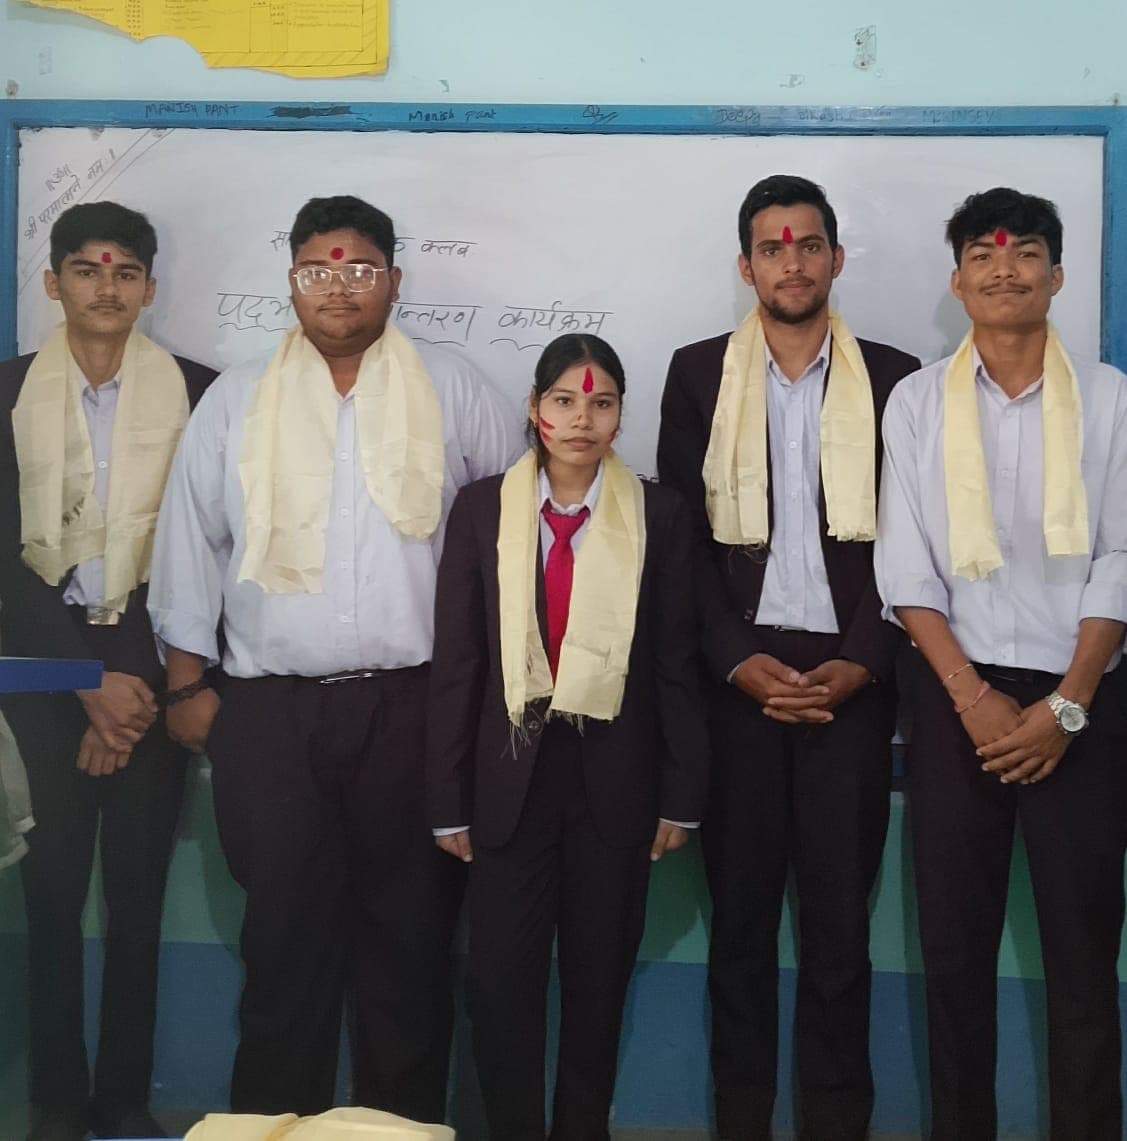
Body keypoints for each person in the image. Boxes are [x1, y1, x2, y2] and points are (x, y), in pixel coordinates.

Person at [147, 195, 520, 1122]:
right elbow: (190, 541)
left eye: (360, 269)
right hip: (272, 717)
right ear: (292, 284)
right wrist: (187, 686)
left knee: (411, 948)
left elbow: (510, 539)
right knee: (282, 949)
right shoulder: (237, 399)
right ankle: (273, 1125)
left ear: (395, 279)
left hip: (417, 710)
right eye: (318, 269)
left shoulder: (454, 388)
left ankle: (401, 1127)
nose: (339, 287)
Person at [657, 174, 920, 1141]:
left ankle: (836, 1123)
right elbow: (680, 542)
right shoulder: (696, 374)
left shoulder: (896, 377)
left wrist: (864, 660)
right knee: (738, 933)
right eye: (772, 248)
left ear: (835, 258)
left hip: (853, 682)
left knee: (839, 933)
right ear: (746, 266)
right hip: (740, 687)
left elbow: (916, 538)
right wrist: (734, 658)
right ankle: (741, 1122)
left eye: (808, 244)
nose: (792, 263)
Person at [875, 187, 1127, 1140]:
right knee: (953, 957)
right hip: (957, 702)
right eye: (982, 255)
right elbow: (905, 566)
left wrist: (1067, 703)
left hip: (1083, 703)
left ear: (1055, 276)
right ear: (957, 282)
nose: (1003, 269)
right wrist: (969, 695)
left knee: (1082, 956)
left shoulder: (1111, 400)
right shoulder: (915, 403)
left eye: (1024, 252)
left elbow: (1120, 555)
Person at [427, 333, 709, 1141]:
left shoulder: (659, 513)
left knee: (597, 988)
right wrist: (446, 799)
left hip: (615, 787)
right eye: (563, 400)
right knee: (498, 988)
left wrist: (681, 793)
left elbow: (674, 662)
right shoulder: (484, 508)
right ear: (533, 407)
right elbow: (459, 662)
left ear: (620, 415)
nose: (581, 419)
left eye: (601, 402)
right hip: (506, 786)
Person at [0, 201, 217, 1141]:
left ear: (149, 289)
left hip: (150, 683)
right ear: (54, 283)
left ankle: (123, 1099)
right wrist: (81, 678)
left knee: (136, 906)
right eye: (86, 270)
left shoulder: (200, 394)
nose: (106, 287)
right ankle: (56, 1101)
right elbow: (4, 558)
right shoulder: (6, 393)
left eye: (125, 271)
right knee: (49, 901)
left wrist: (128, 688)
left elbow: (204, 544)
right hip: (40, 687)